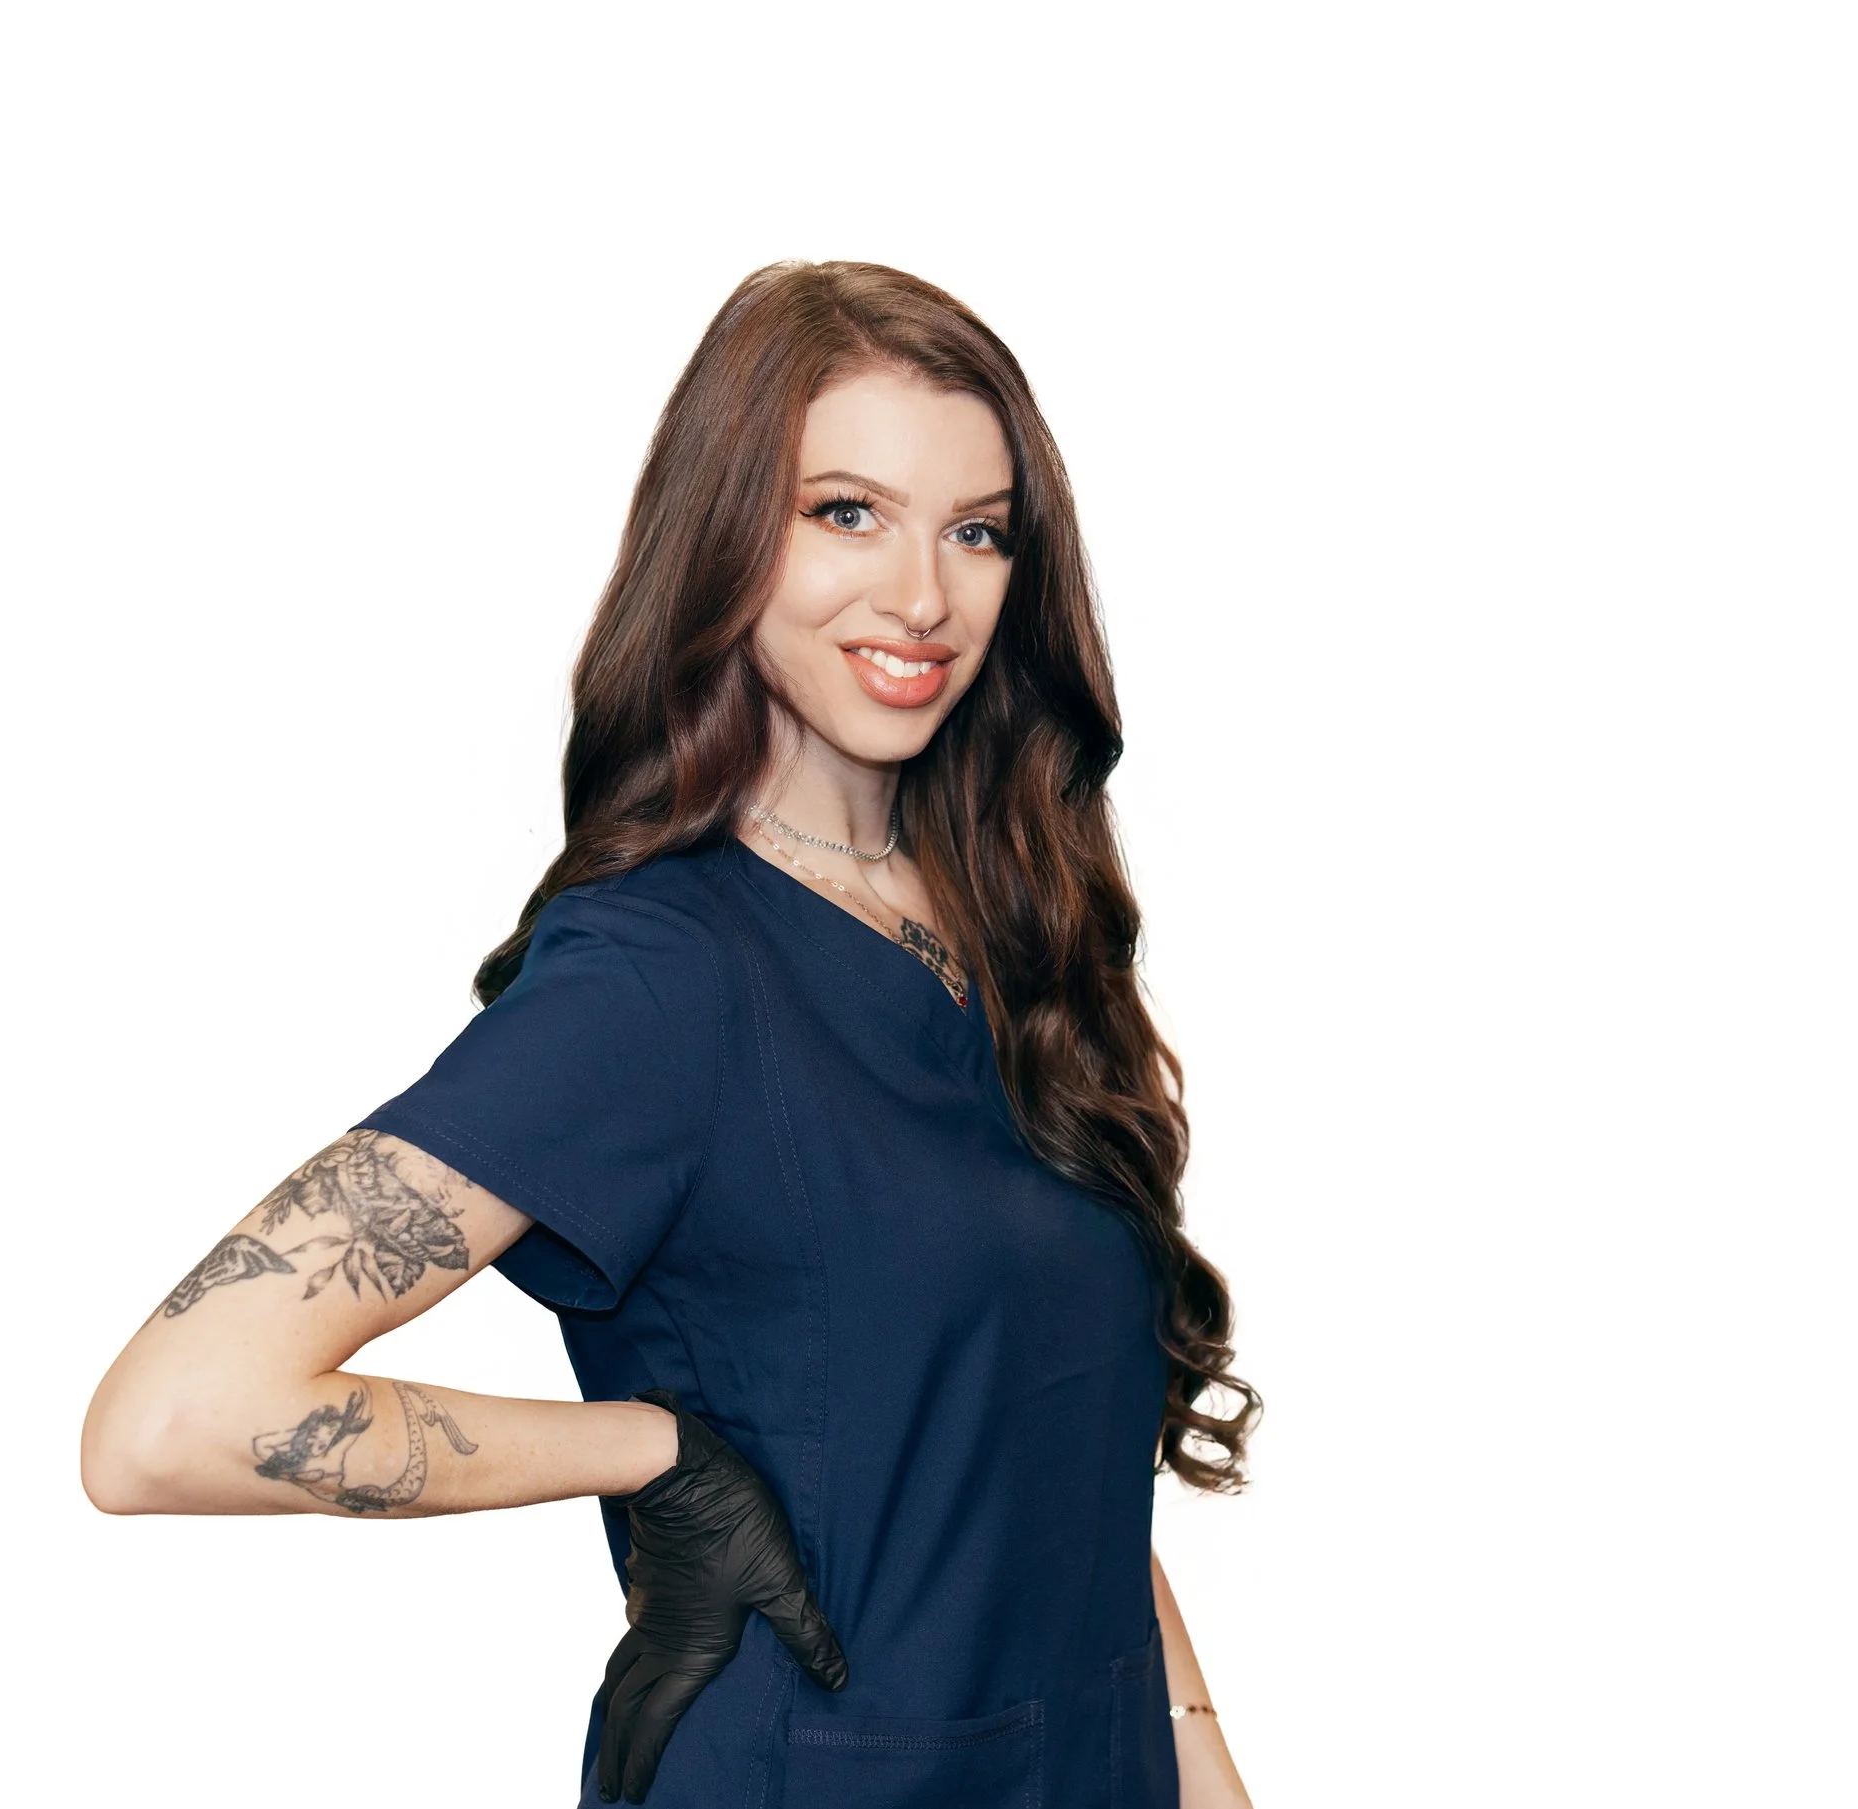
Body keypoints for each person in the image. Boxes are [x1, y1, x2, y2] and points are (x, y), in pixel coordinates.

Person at [81, 258, 1262, 1808]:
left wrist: (1201, 1753)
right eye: (846, 512)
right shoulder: (659, 979)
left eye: (976, 532)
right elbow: (172, 1419)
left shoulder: (1020, 930)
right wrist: (649, 1452)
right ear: (723, 538)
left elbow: (1045, 1465)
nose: (923, 594)